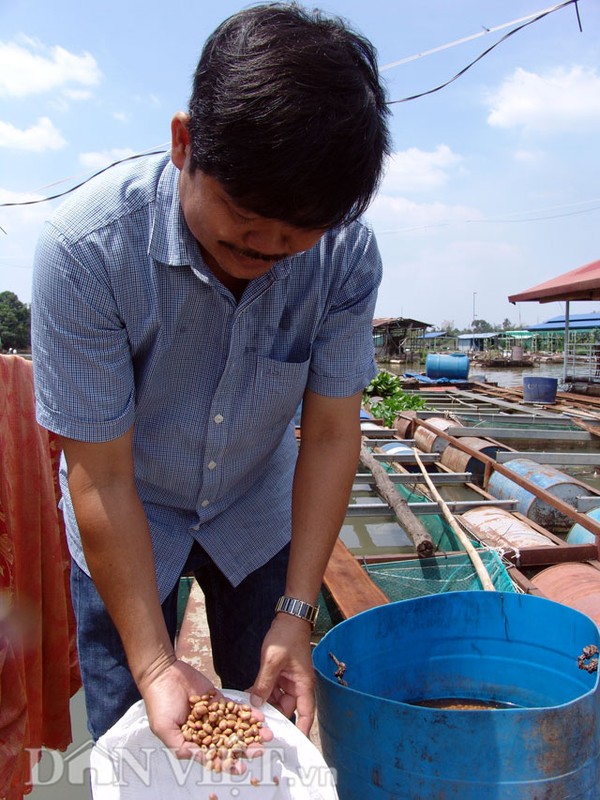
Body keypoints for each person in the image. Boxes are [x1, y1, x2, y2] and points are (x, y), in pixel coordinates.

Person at [31, 1, 390, 757]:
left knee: (270, 717)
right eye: (244, 214)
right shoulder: (87, 249)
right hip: (130, 514)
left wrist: (297, 612)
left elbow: (328, 433)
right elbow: (98, 474)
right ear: (184, 143)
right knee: (136, 730)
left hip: (256, 514)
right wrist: (157, 660)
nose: (262, 246)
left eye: (296, 236)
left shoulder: (346, 258)